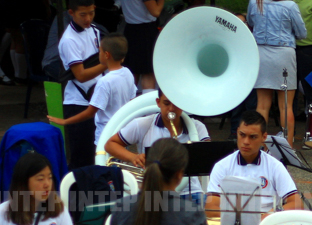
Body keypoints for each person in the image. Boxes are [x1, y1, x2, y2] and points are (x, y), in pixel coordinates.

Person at [104, 89, 210, 203]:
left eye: (176, 104)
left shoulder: (197, 127)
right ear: (158, 102)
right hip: (154, 192)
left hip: (191, 192)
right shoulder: (143, 124)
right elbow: (110, 144)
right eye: (166, 103)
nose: (171, 109)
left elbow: (208, 156)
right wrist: (133, 157)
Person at [47, 33, 136, 146]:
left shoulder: (104, 81)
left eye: (100, 51)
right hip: (122, 134)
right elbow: (131, 101)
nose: (99, 54)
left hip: (106, 135)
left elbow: (90, 112)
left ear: (106, 55)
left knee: (104, 162)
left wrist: (65, 121)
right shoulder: (128, 73)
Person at [248, 0, 307, 146]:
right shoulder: (290, 5)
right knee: (285, 105)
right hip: (284, 54)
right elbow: (302, 33)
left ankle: (259, 145)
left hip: (261, 53)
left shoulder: (254, 3)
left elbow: (251, 23)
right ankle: (288, 147)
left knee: (262, 105)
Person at [58, 0, 107, 169]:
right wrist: (108, 63)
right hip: (78, 103)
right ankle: (76, 195)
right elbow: (80, 75)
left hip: (97, 99)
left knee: (98, 154)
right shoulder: (69, 40)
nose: (88, 18)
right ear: (71, 13)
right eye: (83, 14)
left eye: (91, 13)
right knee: (82, 159)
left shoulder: (94, 30)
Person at [120, 0, 163, 92]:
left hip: (130, 30)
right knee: (147, 73)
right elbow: (156, 12)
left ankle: (127, 103)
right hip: (146, 31)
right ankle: (147, 103)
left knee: (132, 73)